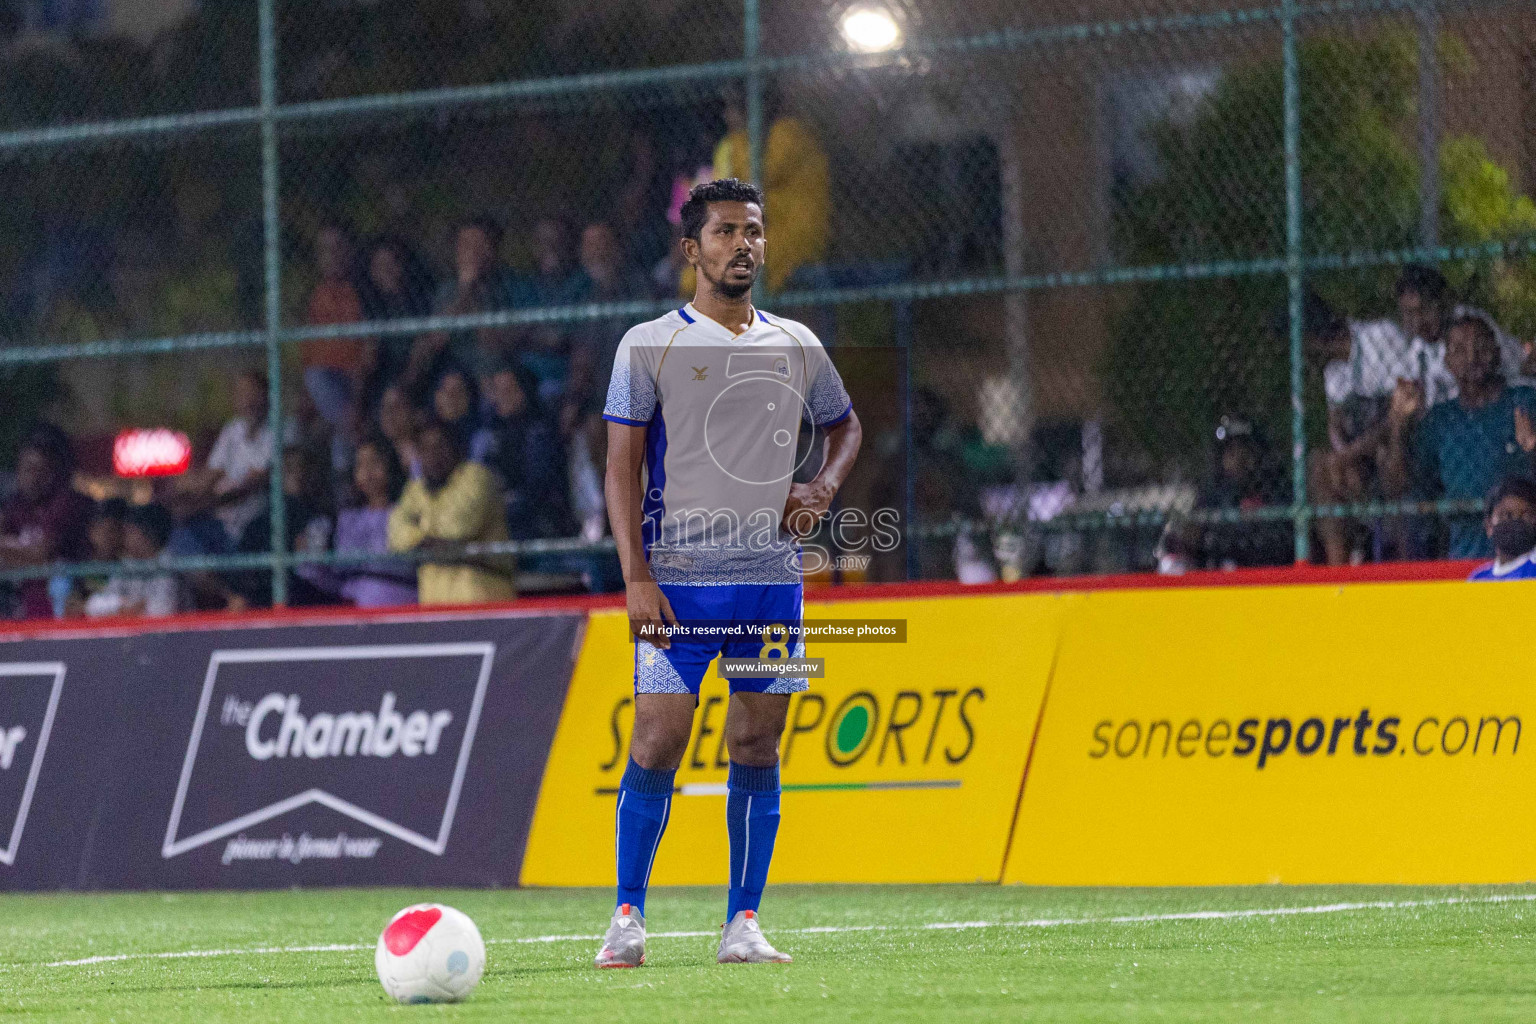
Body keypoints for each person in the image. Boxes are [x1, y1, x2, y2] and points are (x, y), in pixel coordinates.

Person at [594, 179, 861, 968]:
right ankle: (627, 915)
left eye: (754, 231)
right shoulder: (649, 344)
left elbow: (846, 427)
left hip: (772, 586)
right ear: (692, 250)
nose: (742, 244)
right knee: (657, 738)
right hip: (676, 582)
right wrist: (634, 575)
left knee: (756, 743)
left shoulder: (796, 343)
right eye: (724, 232)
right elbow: (620, 470)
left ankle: (743, 922)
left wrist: (822, 489)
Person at [1384, 314, 1536, 559]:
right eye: (1460, 349)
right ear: (1447, 361)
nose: (1472, 357)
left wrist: (1532, 450)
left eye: (1481, 347)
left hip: (1525, 548)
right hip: (1463, 551)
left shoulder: (1526, 402)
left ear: (1497, 353)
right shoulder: (1440, 419)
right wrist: (1398, 424)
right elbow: (1398, 486)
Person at [707, 88, 829, 292]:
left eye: (733, 109)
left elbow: (755, 178)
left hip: (796, 236)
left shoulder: (788, 133)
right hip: (770, 232)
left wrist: (735, 144)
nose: (726, 116)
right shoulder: (752, 141)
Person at [388, 418, 515, 605]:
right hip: (434, 603)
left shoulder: (476, 476)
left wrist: (419, 535)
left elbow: (457, 527)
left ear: (456, 448)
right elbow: (396, 535)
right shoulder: (415, 488)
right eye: (424, 448)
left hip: (482, 599)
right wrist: (428, 539)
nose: (433, 455)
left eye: (440, 446)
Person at [298, 434, 418, 607]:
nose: (367, 472)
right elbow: (338, 579)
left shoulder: (407, 512)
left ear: (391, 466)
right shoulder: (348, 519)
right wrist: (311, 562)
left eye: (375, 462)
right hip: (355, 611)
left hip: (399, 604)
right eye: (361, 465)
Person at [405, 216, 515, 396]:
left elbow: (493, 343)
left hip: (497, 370)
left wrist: (475, 295)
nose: (473, 252)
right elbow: (437, 338)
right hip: (457, 371)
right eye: (466, 245)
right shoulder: (447, 290)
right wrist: (466, 289)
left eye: (480, 244)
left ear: (493, 250)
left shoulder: (508, 285)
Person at [188, 370, 293, 546]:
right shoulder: (232, 430)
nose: (248, 400)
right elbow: (213, 473)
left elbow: (254, 482)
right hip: (221, 521)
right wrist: (188, 491)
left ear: (267, 396)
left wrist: (203, 504)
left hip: (259, 521)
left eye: (253, 393)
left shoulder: (282, 429)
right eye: (242, 393)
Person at [472, 359, 573, 539]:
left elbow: (538, 489)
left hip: (540, 527)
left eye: (509, 391)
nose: (501, 398)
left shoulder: (540, 434)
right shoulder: (490, 434)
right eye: (497, 391)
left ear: (524, 392)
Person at [0, 424, 91, 619]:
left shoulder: (67, 502)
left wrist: (12, 552)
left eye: (38, 470)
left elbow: (42, 553)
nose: (30, 478)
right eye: (25, 470)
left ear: (53, 473)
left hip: (63, 605)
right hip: (21, 604)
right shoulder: (16, 504)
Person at [302, 222, 374, 438]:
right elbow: (309, 355)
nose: (332, 256)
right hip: (324, 384)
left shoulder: (362, 292)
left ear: (350, 251)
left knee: (345, 425)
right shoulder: (317, 295)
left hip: (354, 381)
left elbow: (369, 352)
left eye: (338, 248)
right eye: (325, 250)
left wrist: (356, 399)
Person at [358, 235, 435, 399]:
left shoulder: (419, 296)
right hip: (387, 368)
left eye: (391, 263)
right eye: (379, 265)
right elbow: (370, 352)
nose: (386, 270)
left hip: (422, 367)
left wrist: (407, 380)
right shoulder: (372, 302)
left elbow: (424, 346)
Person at [84, 503, 187, 619]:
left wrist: (121, 609)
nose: (124, 537)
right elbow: (93, 606)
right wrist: (124, 606)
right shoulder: (128, 564)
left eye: (131, 532)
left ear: (148, 535)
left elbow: (161, 612)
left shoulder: (168, 564)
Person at [1468, 476, 1536, 580]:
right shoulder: (1478, 578)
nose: (1516, 522)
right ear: (1489, 525)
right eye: (1506, 515)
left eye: (1526, 515)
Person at [377, 382, 424, 480]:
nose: (389, 414)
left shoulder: (427, 452)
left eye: (396, 407)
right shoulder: (383, 457)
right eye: (385, 408)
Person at [431, 365, 481, 457]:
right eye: (447, 392)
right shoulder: (426, 435)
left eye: (459, 391)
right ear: (437, 397)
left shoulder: (479, 437)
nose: (452, 398)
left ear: (468, 398)